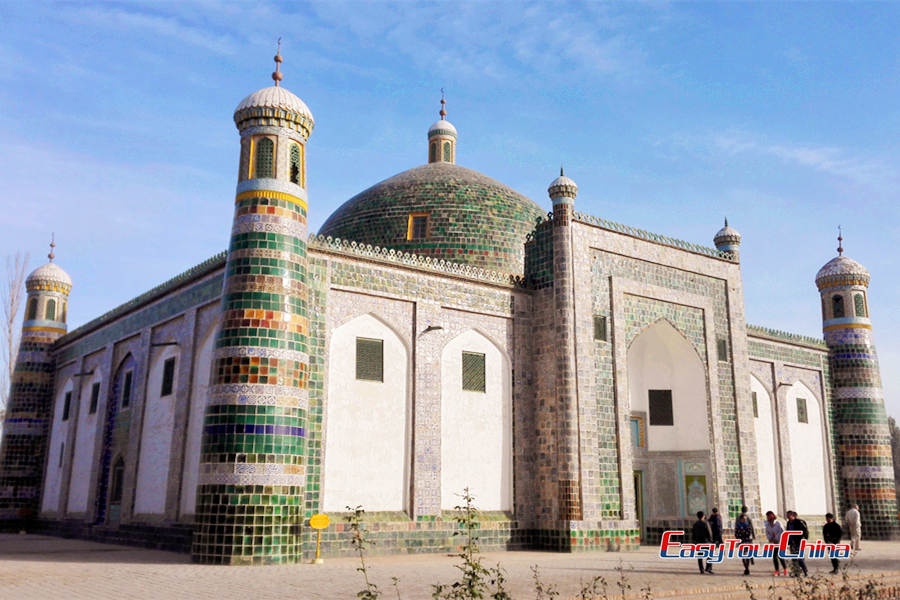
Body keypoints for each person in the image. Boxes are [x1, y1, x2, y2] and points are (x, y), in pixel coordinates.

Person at [764, 511, 788, 576]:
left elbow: (781, 532)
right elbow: (768, 533)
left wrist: (776, 539)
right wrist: (770, 539)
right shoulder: (767, 525)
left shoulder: (778, 523)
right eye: (768, 516)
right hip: (774, 543)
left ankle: (784, 569)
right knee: (775, 556)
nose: (769, 517)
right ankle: (777, 570)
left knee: (779, 556)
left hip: (780, 541)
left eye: (770, 515)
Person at [785, 510, 808, 576]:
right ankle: (797, 572)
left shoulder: (799, 522)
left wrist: (803, 539)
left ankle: (805, 570)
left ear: (792, 515)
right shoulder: (789, 523)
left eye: (788, 515)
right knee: (794, 558)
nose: (787, 517)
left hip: (799, 542)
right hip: (792, 543)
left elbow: (805, 531)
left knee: (800, 558)